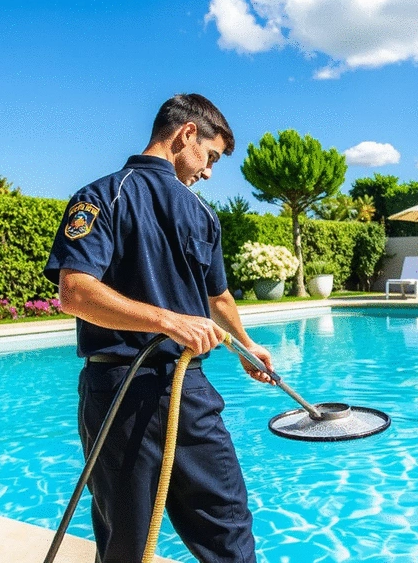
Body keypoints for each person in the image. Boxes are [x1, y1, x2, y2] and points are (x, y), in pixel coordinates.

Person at [44, 93, 272, 563]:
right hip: (124, 393)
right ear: (187, 133)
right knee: (133, 541)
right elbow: (75, 293)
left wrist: (248, 347)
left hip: (176, 393)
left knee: (226, 528)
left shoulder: (195, 213)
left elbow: (218, 299)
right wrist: (167, 320)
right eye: (210, 157)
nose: (208, 172)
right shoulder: (104, 197)